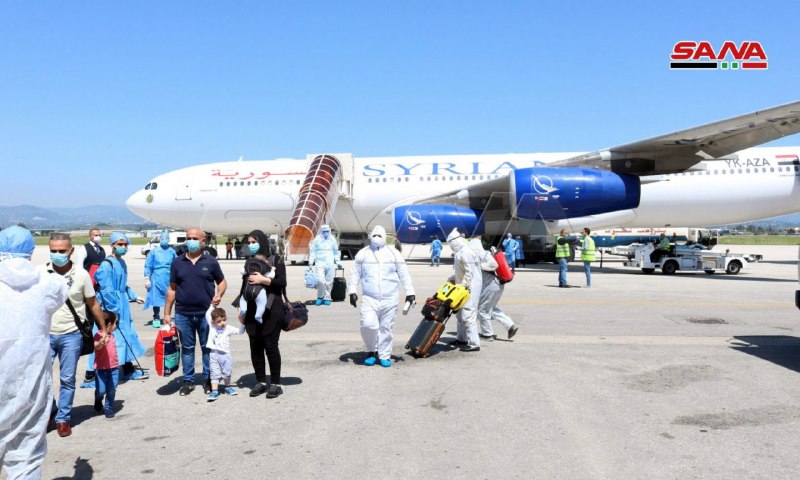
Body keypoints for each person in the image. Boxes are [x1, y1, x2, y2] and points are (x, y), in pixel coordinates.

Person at [0, 226, 68, 480]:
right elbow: (60, 293)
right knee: (26, 458)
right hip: (29, 380)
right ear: (30, 251)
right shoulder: (48, 284)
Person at [47, 232, 107, 438]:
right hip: (44, 334)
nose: (57, 254)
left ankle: (63, 418)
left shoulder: (81, 275)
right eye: (53, 251)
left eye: (61, 251)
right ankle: (50, 411)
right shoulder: (40, 273)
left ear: (71, 251)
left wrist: (103, 328)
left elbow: (93, 304)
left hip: (71, 334)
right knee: (42, 378)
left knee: (67, 378)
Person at [164, 228, 227, 396]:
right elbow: (172, 289)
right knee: (188, 348)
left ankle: (207, 379)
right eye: (188, 238)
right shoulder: (177, 262)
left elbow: (222, 282)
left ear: (203, 241)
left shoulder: (211, 261)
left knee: (207, 348)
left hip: (205, 314)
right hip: (183, 313)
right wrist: (166, 314)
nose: (190, 241)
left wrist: (219, 294)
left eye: (194, 238)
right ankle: (188, 381)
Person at [348, 226, 415, 367]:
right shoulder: (363, 254)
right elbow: (354, 274)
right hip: (369, 298)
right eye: (375, 235)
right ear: (370, 236)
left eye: (380, 236)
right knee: (368, 324)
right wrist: (352, 291)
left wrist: (410, 292)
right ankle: (372, 350)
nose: (377, 238)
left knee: (386, 328)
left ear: (385, 237)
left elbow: (403, 273)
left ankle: (384, 355)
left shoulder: (394, 253)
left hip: (390, 298)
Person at [238, 229, 285, 399]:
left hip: (272, 311)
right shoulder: (249, 261)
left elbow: (281, 283)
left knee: (271, 347)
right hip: (251, 310)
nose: (251, 245)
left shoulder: (275, 259)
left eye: (254, 242)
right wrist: (240, 308)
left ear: (262, 242)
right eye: (249, 242)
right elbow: (244, 285)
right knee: (255, 348)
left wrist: (264, 280)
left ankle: (276, 383)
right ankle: (261, 382)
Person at [95, 232, 148, 381]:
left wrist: (134, 296)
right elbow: (106, 288)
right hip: (113, 304)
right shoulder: (107, 264)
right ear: (112, 245)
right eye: (120, 244)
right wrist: (113, 309)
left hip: (123, 303)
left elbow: (123, 285)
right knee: (116, 336)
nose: (123, 247)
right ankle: (120, 369)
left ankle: (127, 366)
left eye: (125, 244)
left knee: (127, 333)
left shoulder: (122, 262)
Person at [74, 228, 106, 389]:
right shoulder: (83, 249)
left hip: (98, 291)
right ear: (89, 236)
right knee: (88, 328)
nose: (98, 237)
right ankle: (89, 371)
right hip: (88, 291)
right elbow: (79, 269)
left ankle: (97, 367)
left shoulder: (102, 250)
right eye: (95, 235)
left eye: (100, 234)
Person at [469, 239, 519, 341]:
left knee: (483, 310)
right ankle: (510, 325)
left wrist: (480, 266)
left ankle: (487, 335)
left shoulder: (480, 255)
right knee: (491, 308)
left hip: (491, 287)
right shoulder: (487, 253)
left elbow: (494, 265)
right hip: (498, 284)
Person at [446, 228, 482, 352]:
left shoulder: (466, 252)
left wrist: (464, 285)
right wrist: (453, 279)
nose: (450, 246)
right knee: (460, 314)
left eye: (450, 243)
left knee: (468, 314)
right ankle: (461, 339)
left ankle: (474, 343)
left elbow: (469, 272)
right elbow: (460, 271)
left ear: (456, 241)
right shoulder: (460, 251)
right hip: (462, 286)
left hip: (470, 287)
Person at [205, 307, 245, 401]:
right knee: (214, 373)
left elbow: (240, 331)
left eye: (224, 320)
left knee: (227, 372)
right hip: (214, 354)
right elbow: (207, 314)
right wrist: (212, 305)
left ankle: (227, 387)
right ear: (213, 321)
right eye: (219, 321)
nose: (222, 323)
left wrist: (242, 323)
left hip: (225, 355)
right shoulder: (212, 327)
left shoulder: (228, 328)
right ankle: (214, 391)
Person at [143, 231, 177, 328]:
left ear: (169, 240)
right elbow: (148, 265)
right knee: (156, 298)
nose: (164, 241)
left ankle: (169, 316)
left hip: (169, 277)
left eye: (166, 239)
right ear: (159, 240)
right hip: (156, 277)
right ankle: (156, 317)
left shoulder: (172, 251)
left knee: (171, 298)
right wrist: (147, 278)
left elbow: (177, 265)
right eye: (162, 239)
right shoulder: (154, 251)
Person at [238, 245, 275, 325]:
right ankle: (258, 315)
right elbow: (271, 276)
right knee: (262, 303)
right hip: (258, 291)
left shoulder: (248, 264)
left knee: (243, 300)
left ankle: (243, 310)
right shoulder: (265, 267)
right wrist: (273, 270)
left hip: (247, 290)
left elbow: (242, 271)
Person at [93, 311, 120, 419]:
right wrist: (101, 343)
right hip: (100, 369)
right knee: (101, 390)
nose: (115, 325)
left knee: (112, 390)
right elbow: (96, 346)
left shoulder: (112, 336)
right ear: (109, 325)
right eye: (115, 323)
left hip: (114, 368)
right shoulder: (98, 335)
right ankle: (98, 397)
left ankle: (108, 407)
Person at [308, 224, 342, 306]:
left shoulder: (332, 240)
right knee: (320, 281)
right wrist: (310, 262)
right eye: (324, 232)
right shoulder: (317, 240)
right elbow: (313, 251)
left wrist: (338, 262)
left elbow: (335, 252)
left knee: (329, 281)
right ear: (321, 232)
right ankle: (320, 297)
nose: (325, 233)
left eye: (327, 231)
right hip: (320, 262)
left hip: (330, 263)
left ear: (329, 231)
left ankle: (327, 298)